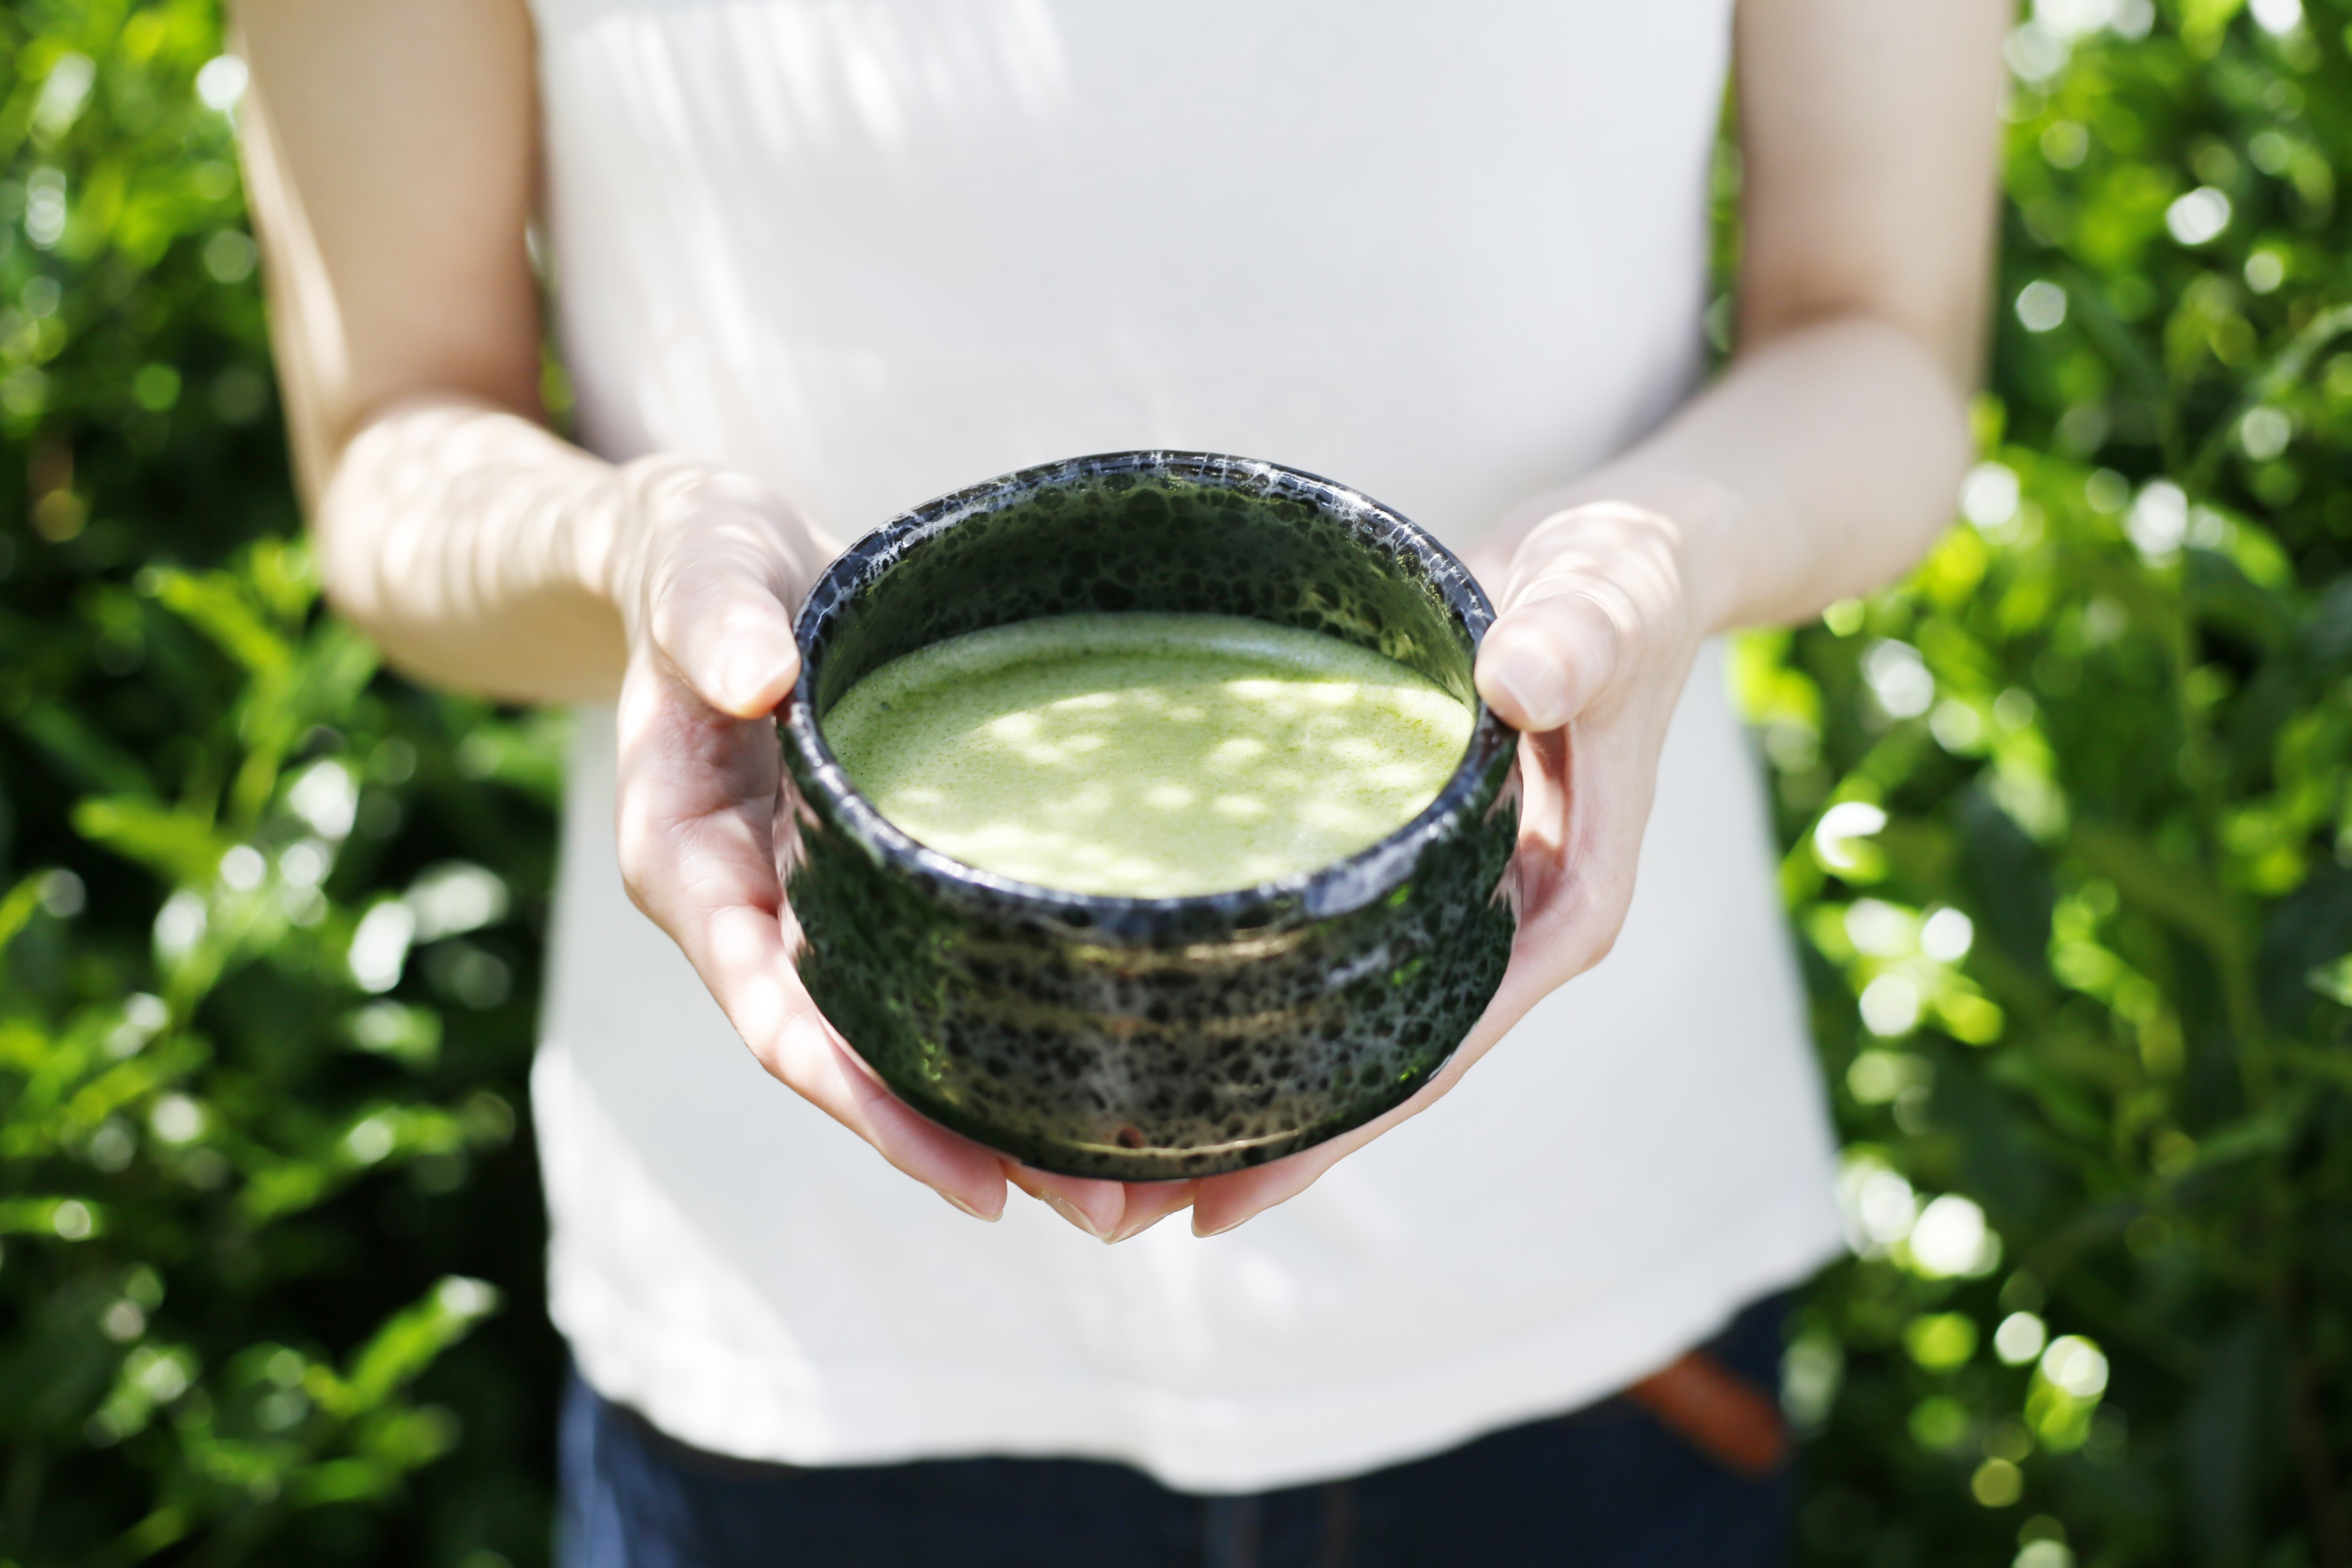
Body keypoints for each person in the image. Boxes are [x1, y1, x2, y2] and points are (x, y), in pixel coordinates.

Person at [238, 0, 2004, 1560]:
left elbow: (1878, 331)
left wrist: (1655, 559)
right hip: (800, 1341)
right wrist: (631, 552)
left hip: (1580, 1289)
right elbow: (397, 429)